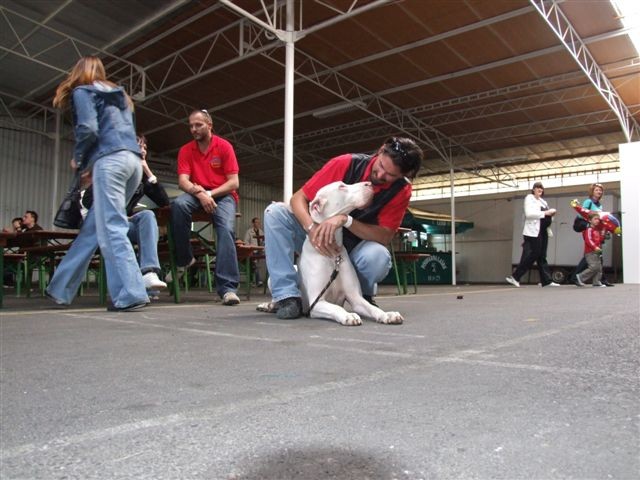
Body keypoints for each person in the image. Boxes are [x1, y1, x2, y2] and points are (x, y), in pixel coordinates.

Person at [262, 136, 423, 319]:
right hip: (318, 236)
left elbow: (385, 236)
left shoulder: (401, 190)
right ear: (380, 150)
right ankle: (287, 296)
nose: (380, 176)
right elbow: (298, 199)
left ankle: (363, 294)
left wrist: (345, 220)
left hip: (353, 246)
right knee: (275, 213)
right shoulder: (345, 163)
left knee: (378, 256)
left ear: (403, 176)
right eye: (381, 166)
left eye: (390, 175)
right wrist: (312, 229)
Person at [46, 55, 149, 311]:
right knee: (96, 227)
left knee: (111, 228)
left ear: (78, 71)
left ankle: (131, 292)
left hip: (110, 162)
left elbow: (89, 129)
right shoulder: (120, 95)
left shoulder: (83, 91)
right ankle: (60, 288)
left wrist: (79, 158)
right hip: (132, 162)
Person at [80, 135, 170, 294]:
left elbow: (164, 201)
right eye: (138, 147)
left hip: (124, 225)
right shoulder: (112, 168)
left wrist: (148, 172)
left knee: (148, 216)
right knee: (131, 236)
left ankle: (149, 273)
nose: (142, 151)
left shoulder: (142, 177)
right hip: (105, 225)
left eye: (145, 148)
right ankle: (138, 286)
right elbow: (88, 201)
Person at [169, 109, 241, 306]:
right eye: (191, 125)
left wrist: (210, 194)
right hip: (197, 193)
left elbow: (233, 182)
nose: (193, 129)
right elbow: (183, 181)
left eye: (198, 124)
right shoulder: (186, 150)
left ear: (209, 125)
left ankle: (227, 289)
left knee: (225, 229)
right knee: (178, 204)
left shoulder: (224, 146)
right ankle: (185, 259)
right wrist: (200, 194)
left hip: (224, 195)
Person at [506, 182, 559, 288]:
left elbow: (547, 216)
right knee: (535, 253)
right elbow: (529, 214)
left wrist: (551, 215)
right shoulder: (529, 198)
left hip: (543, 230)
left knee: (542, 255)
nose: (540, 189)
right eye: (537, 187)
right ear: (533, 189)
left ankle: (546, 281)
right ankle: (516, 276)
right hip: (533, 231)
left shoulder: (543, 201)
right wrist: (546, 213)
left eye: (541, 188)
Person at [570, 183, 614, 286]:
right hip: (589, 230)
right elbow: (582, 214)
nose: (599, 192)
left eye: (600, 190)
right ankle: (594, 279)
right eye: (597, 190)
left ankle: (598, 279)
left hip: (596, 231)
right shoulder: (588, 201)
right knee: (592, 254)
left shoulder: (599, 204)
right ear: (592, 192)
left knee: (594, 255)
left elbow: (598, 219)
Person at [575, 212, 605, 287]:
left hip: (597, 251)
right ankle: (580, 277)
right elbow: (588, 240)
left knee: (599, 268)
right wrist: (595, 247)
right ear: (590, 220)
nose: (597, 220)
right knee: (593, 267)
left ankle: (596, 282)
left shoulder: (597, 230)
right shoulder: (589, 230)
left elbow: (600, 240)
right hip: (590, 252)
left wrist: (603, 234)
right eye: (595, 219)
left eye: (598, 219)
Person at [244, 217, 265, 286]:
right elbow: (246, 242)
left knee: (258, 267)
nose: (258, 224)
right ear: (253, 223)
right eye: (256, 222)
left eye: (259, 222)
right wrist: (249, 249)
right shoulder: (249, 232)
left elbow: (263, 242)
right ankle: (255, 281)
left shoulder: (261, 231)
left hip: (260, 251)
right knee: (254, 266)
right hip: (252, 251)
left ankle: (256, 281)